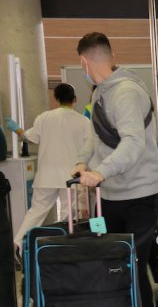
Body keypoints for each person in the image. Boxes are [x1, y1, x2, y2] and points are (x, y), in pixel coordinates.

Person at [73, 32, 158, 307]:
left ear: (84, 61)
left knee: (132, 263)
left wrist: (102, 171)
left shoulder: (125, 92)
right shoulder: (100, 93)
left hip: (139, 195)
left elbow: (133, 143)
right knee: (124, 265)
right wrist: (83, 162)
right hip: (111, 195)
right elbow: (95, 137)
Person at [6, 83, 93, 250]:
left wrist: (16, 129)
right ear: (75, 99)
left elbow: (28, 137)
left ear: (56, 99)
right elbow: (89, 148)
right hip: (71, 177)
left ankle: (17, 244)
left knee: (36, 212)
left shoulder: (44, 117)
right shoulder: (83, 121)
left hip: (46, 175)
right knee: (68, 217)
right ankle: (63, 248)